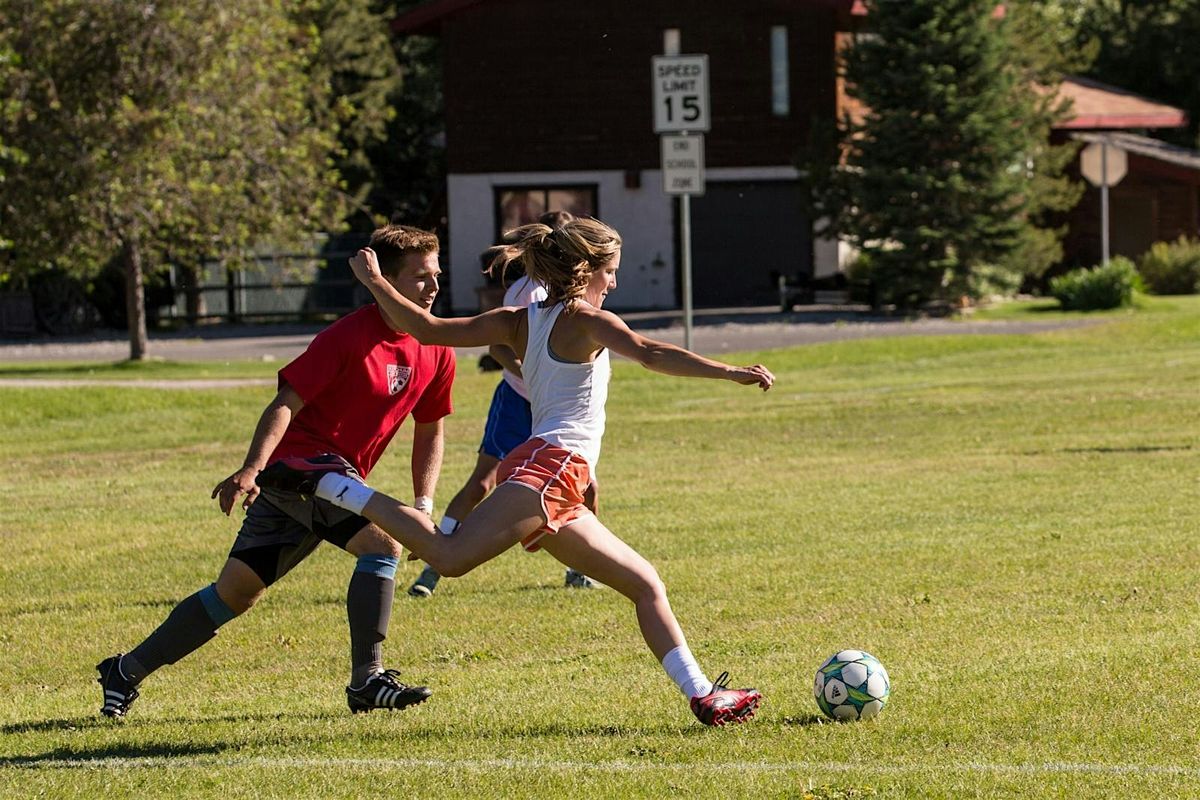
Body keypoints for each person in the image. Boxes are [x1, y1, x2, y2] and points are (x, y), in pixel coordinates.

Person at [259, 217, 774, 727]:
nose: (613, 283)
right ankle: (333, 485)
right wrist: (729, 370)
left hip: (549, 469)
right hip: (551, 468)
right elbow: (651, 352)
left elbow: (426, 328)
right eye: (610, 271)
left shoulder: (519, 319)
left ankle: (704, 695)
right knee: (448, 556)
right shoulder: (588, 320)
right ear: (585, 268)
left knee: (645, 583)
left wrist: (376, 284)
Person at [96, 224, 456, 718]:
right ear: (385, 282)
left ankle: (125, 670)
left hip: (334, 479)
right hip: (299, 469)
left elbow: (430, 430)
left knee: (236, 594)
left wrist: (423, 506)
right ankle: (367, 681)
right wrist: (252, 467)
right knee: (382, 543)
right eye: (420, 278)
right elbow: (286, 402)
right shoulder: (347, 335)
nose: (434, 287)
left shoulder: (436, 347)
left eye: (436, 275)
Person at [408, 210, 597, 597]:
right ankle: (432, 567)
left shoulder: (577, 295)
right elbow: (498, 344)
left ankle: (580, 567)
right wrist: (529, 372)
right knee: (482, 481)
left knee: (587, 485)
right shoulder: (527, 292)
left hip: (554, 410)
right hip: (517, 400)